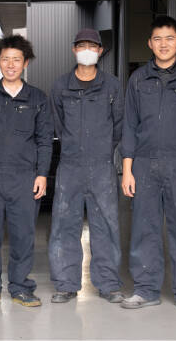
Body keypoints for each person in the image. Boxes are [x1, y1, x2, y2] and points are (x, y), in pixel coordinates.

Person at [119, 15, 176, 312]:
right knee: (144, 228)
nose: (164, 44)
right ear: (150, 43)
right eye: (157, 39)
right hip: (144, 164)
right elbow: (129, 126)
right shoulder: (138, 79)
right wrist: (127, 170)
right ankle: (145, 289)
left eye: (169, 38)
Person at [0, 35, 53, 308]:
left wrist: (42, 174)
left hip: (25, 177)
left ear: (25, 63)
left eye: (16, 59)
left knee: (23, 235)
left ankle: (20, 287)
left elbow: (44, 140)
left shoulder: (37, 98)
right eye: (6, 59)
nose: (11, 64)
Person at [48, 28, 125, 304]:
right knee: (64, 224)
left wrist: (101, 149)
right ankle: (66, 283)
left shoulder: (112, 86)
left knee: (106, 225)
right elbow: (58, 124)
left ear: (100, 51)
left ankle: (108, 284)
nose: (87, 51)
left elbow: (119, 126)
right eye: (82, 46)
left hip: (102, 166)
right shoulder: (60, 86)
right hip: (69, 165)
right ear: (74, 50)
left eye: (92, 46)